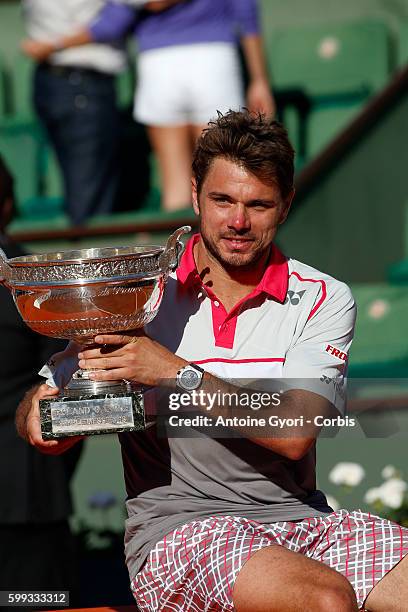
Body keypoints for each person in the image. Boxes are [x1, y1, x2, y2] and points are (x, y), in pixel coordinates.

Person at [15, 111, 408, 611]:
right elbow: (43, 428)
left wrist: (174, 373)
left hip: (303, 520)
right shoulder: (137, 289)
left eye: (258, 204)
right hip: (179, 528)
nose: (238, 222)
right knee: (324, 600)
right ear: (196, 191)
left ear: (286, 205)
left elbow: (294, 433)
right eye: (222, 200)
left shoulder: (323, 297)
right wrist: (51, 413)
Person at [22, 0, 275, 212]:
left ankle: (181, 268)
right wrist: (259, 79)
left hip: (159, 66)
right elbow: (246, 12)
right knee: (221, 182)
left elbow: (116, 20)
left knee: (177, 186)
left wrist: (54, 45)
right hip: (215, 62)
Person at [0, 155, 83, 609]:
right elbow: (62, 382)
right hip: (30, 493)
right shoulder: (33, 282)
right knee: (35, 604)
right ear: (8, 202)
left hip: (31, 492)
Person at [20, 0, 128, 226]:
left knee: (82, 191)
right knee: (88, 202)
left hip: (54, 79)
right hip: (80, 82)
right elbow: (118, 19)